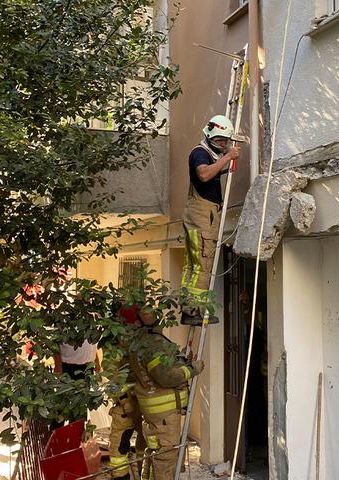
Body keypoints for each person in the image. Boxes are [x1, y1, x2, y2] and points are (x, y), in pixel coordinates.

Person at [180, 114, 241, 325]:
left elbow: (210, 174)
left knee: (193, 264)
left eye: (226, 141)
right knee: (203, 262)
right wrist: (228, 156)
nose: (222, 144)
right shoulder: (200, 153)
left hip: (199, 212)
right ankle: (193, 311)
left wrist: (225, 158)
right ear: (209, 136)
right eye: (219, 141)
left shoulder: (209, 153)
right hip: (201, 213)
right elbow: (204, 175)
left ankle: (188, 307)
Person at [129, 309, 204, 479]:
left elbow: (156, 371)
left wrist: (179, 360)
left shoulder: (138, 343)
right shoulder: (154, 345)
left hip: (153, 412)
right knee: (165, 458)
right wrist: (192, 369)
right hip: (164, 414)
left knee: (154, 452)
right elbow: (166, 377)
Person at [107, 303, 147, 480]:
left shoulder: (121, 342)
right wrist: (124, 399)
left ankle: (131, 475)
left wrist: (123, 399)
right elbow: (112, 376)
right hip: (136, 402)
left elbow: (110, 375)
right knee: (136, 445)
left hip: (133, 402)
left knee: (121, 447)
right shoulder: (141, 340)